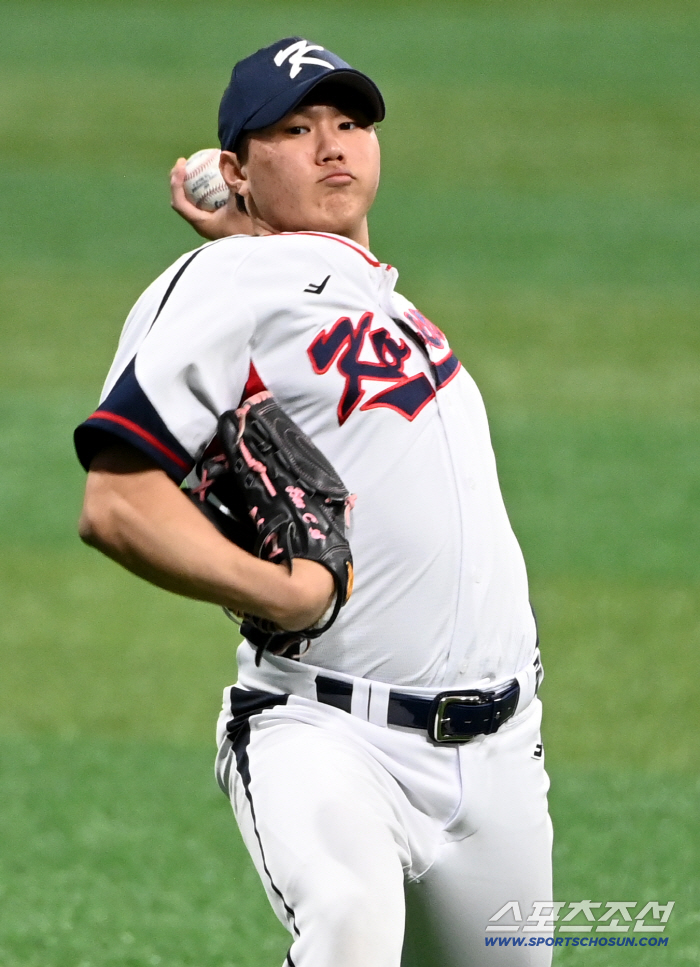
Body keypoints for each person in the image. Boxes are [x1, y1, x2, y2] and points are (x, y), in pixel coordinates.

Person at [75, 38, 553, 967]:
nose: (332, 145)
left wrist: (260, 238)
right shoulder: (219, 283)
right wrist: (279, 589)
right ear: (237, 169)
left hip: (501, 755)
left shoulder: (372, 299)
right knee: (346, 924)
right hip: (328, 733)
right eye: (294, 129)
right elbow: (117, 499)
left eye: (348, 123)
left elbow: (306, 285)